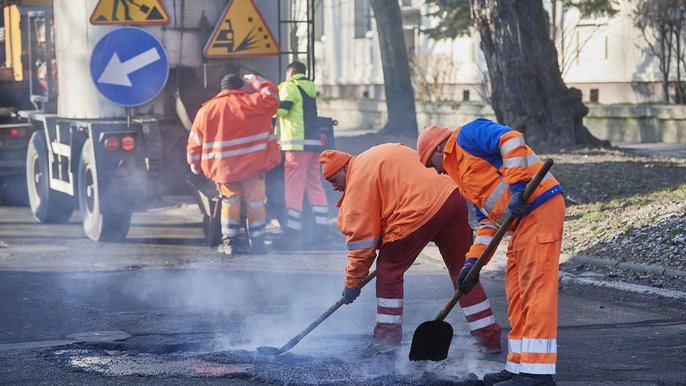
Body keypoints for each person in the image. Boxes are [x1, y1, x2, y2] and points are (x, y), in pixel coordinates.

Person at [416, 118, 564, 386]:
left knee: (535, 291)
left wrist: (519, 188)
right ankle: (518, 366)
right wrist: (471, 265)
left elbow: (511, 139)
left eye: (431, 164)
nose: (436, 172)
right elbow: (488, 223)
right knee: (517, 296)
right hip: (520, 224)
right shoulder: (463, 180)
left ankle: (539, 375)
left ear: (438, 150)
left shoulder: (468, 135)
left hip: (540, 208)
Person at [319, 145, 502, 357]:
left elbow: (362, 243)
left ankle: (387, 340)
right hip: (452, 196)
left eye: (333, 180)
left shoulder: (357, 182)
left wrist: (352, 283)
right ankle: (489, 339)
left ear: (344, 169)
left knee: (389, 273)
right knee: (464, 272)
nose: (334, 188)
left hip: (418, 211)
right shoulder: (377, 153)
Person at [187, 73, 281, 256]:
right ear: (241, 88)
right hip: (254, 167)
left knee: (230, 203)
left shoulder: (207, 110)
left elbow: (194, 143)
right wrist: (253, 78)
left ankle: (230, 243)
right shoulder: (256, 103)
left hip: (225, 170)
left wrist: (195, 165)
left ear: (222, 90)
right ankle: (258, 244)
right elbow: (272, 95)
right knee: (255, 204)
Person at [273, 61, 330, 250]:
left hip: (296, 145)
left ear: (291, 72)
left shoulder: (289, 86)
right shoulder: (309, 87)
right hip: (314, 144)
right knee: (314, 184)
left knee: (293, 187)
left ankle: (292, 232)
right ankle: (322, 230)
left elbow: (282, 109)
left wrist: (266, 105)